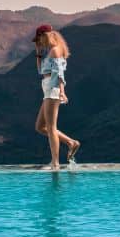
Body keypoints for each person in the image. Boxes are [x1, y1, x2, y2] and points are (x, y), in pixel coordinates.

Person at [33, 24, 81, 170]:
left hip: (53, 90)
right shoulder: (51, 51)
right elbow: (41, 71)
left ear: (45, 35)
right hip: (48, 89)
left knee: (51, 128)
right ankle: (71, 143)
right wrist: (38, 53)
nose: (38, 42)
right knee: (40, 127)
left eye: (39, 39)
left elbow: (60, 73)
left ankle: (55, 163)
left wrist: (62, 91)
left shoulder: (55, 50)